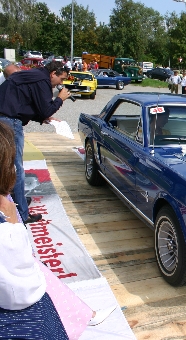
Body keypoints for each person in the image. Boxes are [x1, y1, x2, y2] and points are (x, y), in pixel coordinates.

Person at [0, 122, 115, 339]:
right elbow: (20, 289)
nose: (15, 169)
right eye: (12, 164)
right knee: (43, 280)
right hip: (22, 307)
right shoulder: (5, 216)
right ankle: (84, 314)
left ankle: (85, 313)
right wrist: (15, 223)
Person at [0, 61, 72, 224]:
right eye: (61, 79)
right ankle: (22, 213)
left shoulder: (35, 76)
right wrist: (60, 99)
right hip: (10, 121)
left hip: (6, 118)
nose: (61, 83)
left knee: (8, 164)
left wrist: (43, 118)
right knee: (15, 168)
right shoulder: (42, 81)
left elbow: (26, 104)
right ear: (53, 73)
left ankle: (19, 202)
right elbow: (45, 108)